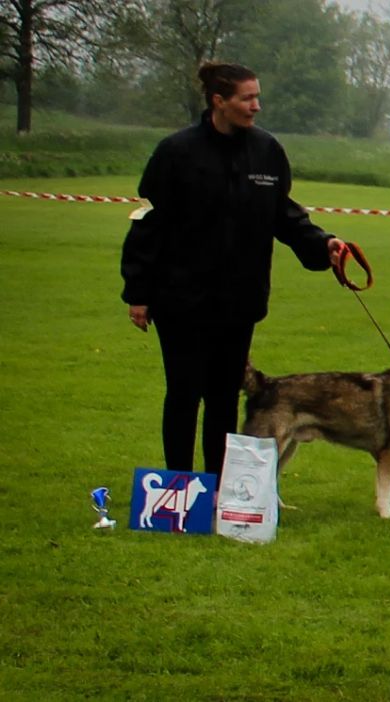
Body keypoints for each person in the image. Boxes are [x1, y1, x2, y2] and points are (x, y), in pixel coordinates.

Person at [121, 62, 346, 479]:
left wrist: (322, 244)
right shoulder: (176, 152)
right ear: (218, 101)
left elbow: (284, 214)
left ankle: (219, 487)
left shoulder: (267, 151)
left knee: (224, 397)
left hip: (239, 299)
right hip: (180, 298)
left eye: (258, 97)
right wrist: (138, 292)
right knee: (184, 394)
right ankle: (181, 486)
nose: (256, 106)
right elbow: (148, 223)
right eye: (247, 98)